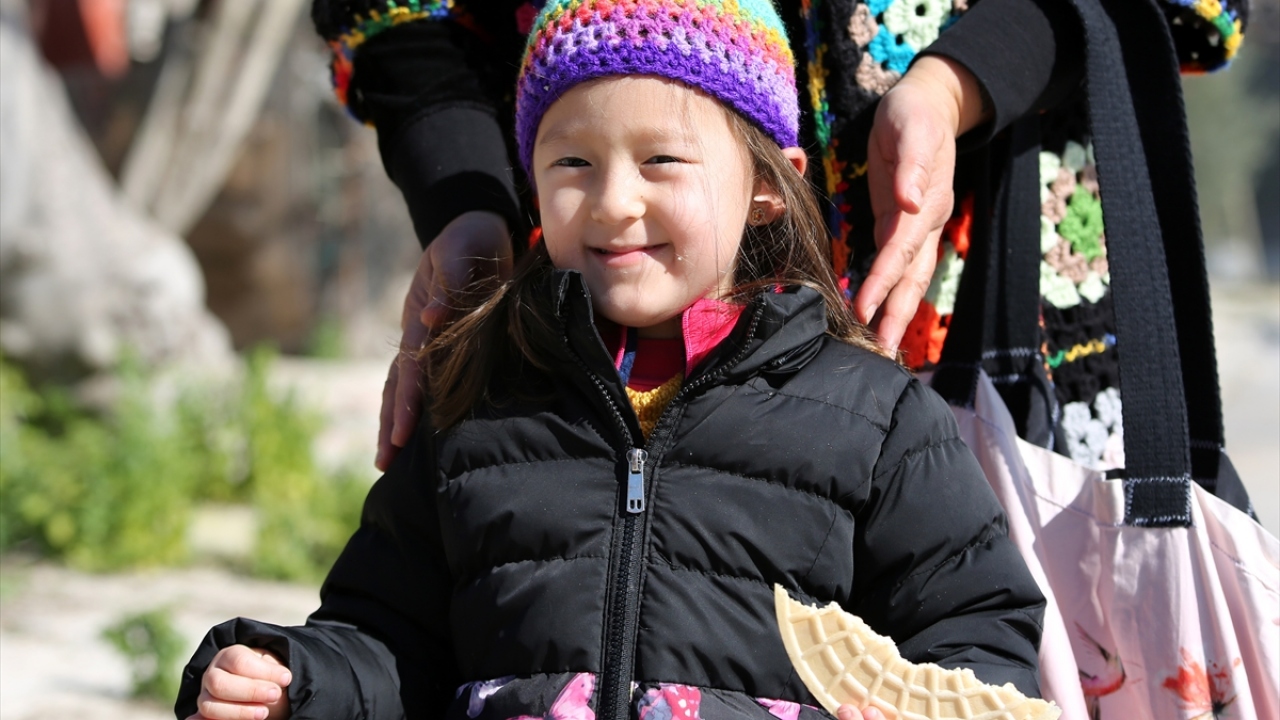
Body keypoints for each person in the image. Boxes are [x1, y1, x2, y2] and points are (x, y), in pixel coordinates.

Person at [175, 3, 1047, 719]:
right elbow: (389, 637)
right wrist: (301, 681)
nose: (612, 201)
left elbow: (978, 638)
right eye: (572, 163)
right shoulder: (481, 400)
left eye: (660, 160)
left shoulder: (876, 419)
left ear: (767, 187)